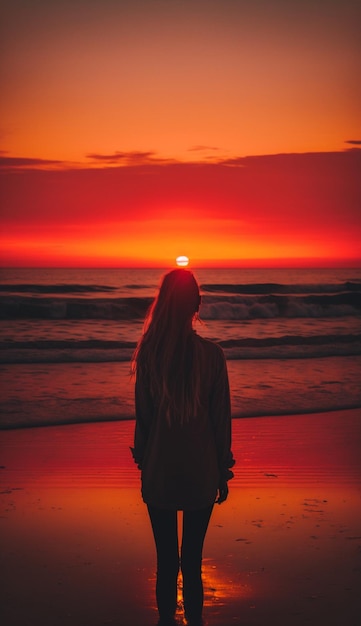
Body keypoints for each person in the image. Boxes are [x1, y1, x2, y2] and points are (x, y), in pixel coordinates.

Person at [131, 269, 235, 626]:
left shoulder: (149, 355)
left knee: (166, 562)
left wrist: (144, 461)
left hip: (160, 470)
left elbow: (143, 420)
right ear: (197, 305)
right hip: (200, 470)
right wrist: (223, 469)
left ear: (164, 304)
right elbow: (220, 420)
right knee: (192, 561)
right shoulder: (212, 356)